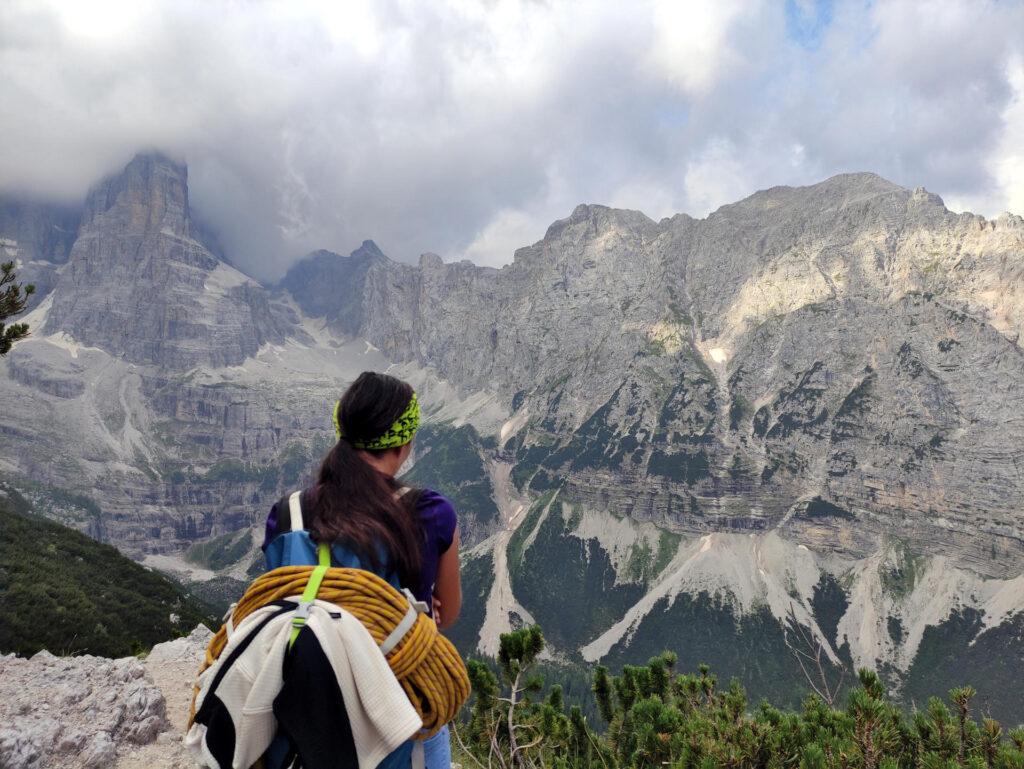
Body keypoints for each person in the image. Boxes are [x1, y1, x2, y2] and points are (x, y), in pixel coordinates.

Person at [261, 371, 461, 769]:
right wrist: (418, 608)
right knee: (433, 730)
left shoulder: (288, 513)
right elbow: (449, 614)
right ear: (404, 445)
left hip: (303, 707)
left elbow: (276, 598)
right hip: (397, 719)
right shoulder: (431, 513)